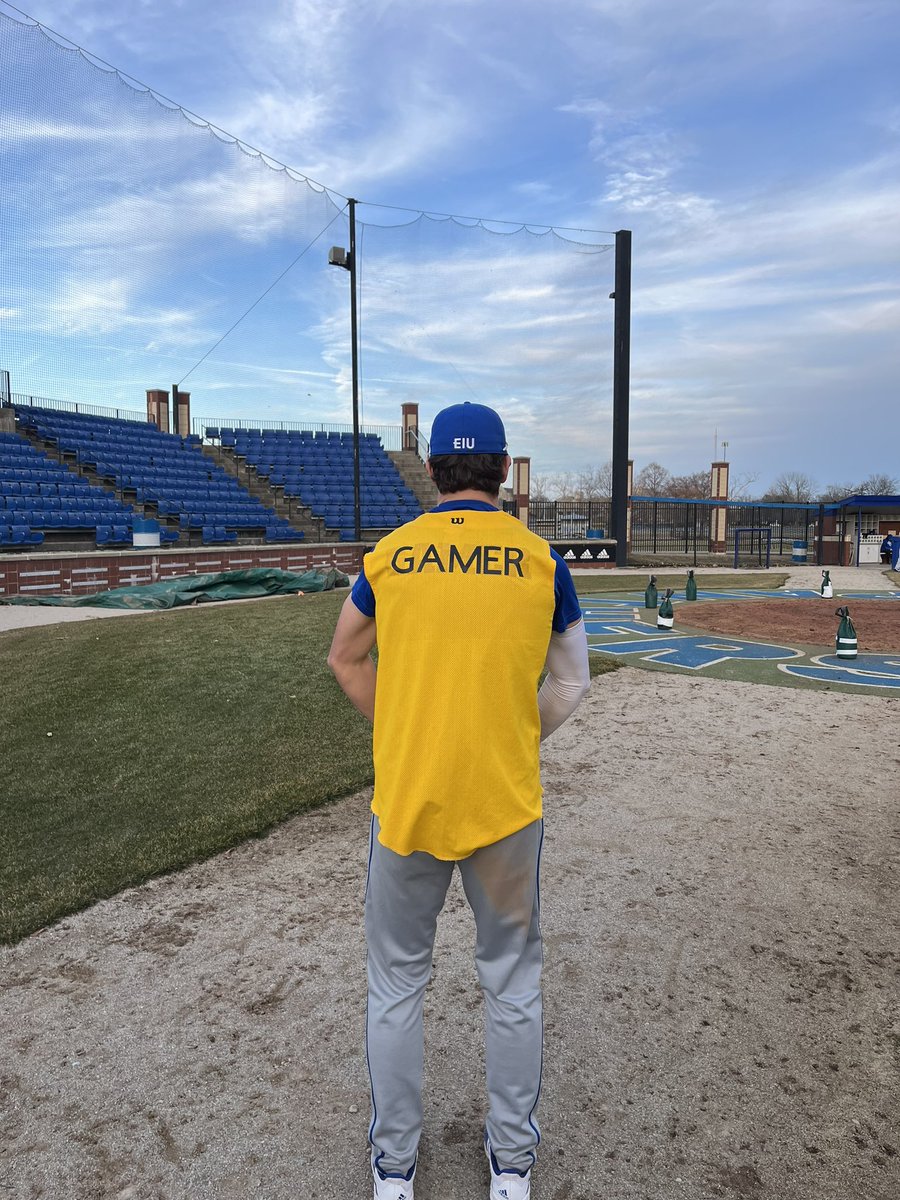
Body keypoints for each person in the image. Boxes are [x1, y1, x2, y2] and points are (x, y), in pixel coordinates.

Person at [327, 401, 591, 1200]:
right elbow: (572, 679)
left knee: (396, 985)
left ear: (434, 471)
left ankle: (395, 1171)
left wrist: (411, 729)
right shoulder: (543, 560)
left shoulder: (389, 557)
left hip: (409, 799)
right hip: (505, 806)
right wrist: (508, 737)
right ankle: (511, 1167)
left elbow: (345, 657)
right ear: (503, 470)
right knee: (510, 984)